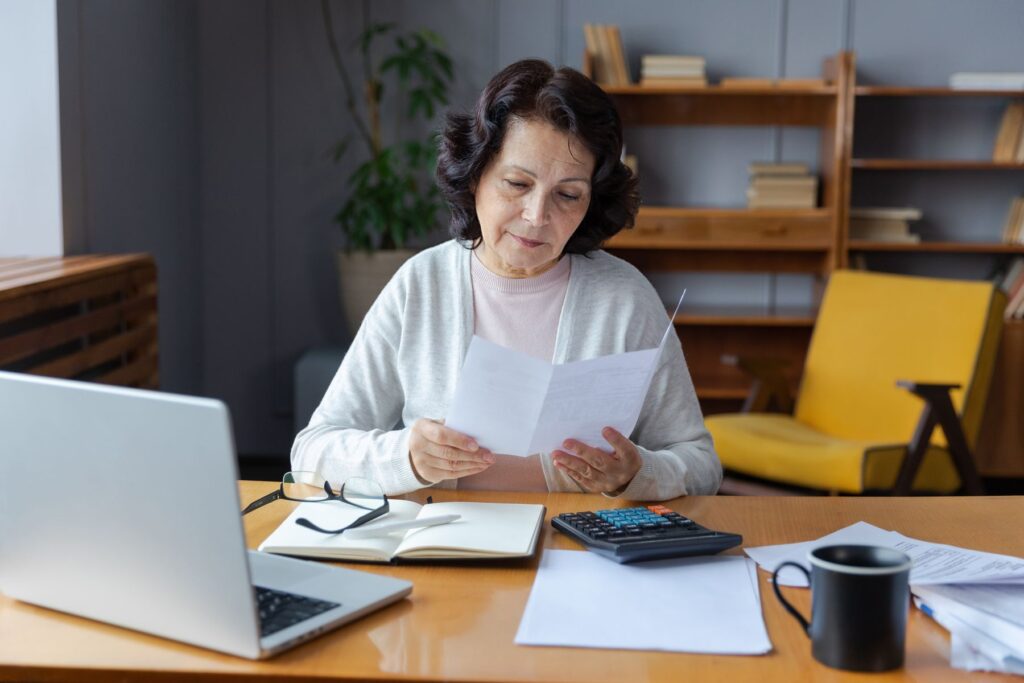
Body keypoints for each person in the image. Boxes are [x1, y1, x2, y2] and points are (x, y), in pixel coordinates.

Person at [292, 59, 721, 500]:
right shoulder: (421, 285)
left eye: (568, 195)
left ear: (591, 201)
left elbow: (701, 463)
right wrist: (407, 457)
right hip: (446, 546)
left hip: (579, 549)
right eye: (517, 184)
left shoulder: (624, 297)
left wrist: (637, 474)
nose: (537, 217)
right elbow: (312, 451)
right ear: (476, 174)